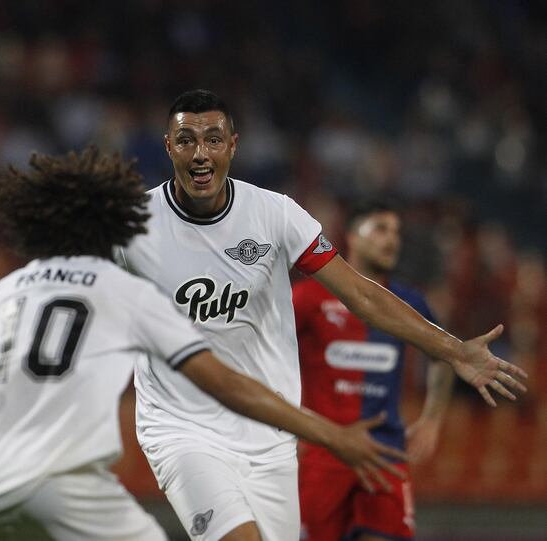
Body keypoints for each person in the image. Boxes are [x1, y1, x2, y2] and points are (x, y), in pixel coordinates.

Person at [0, 147, 408, 541]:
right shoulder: (123, 291)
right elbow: (225, 383)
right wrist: (328, 434)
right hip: (65, 483)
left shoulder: (8, 294)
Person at [112, 89, 527, 541]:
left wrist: (454, 351)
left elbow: (362, 296)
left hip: (269, 434)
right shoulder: (133, 223)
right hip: (181, 429)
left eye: (212, 139)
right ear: (169, 147)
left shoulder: (275, 215)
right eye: (186, 140)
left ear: (232, 145)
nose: (200, 153)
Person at [294, 199, 456, 541]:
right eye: (381, 229)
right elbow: (264, 352)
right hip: (324, 453)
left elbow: (446, 353)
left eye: (396, 232)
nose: (392, 240)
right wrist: (288, 422)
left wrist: (432, 419)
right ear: (352, 236)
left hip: (386, 452)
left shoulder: (407, 302)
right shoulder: (308, 297)